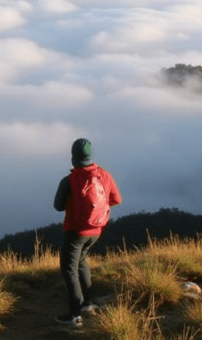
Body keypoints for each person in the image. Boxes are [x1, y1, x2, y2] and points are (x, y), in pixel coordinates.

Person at [52, 138, 121, 326]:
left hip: (76, 231)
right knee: (82, 261)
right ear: (90, 156)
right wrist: (95, 212)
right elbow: (115, 199)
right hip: (96, 230)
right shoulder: (105, 175)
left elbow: (58, 206)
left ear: (73, 157)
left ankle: (75, 315)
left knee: (69, 270)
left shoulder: (70, 180)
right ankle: (87, 304)